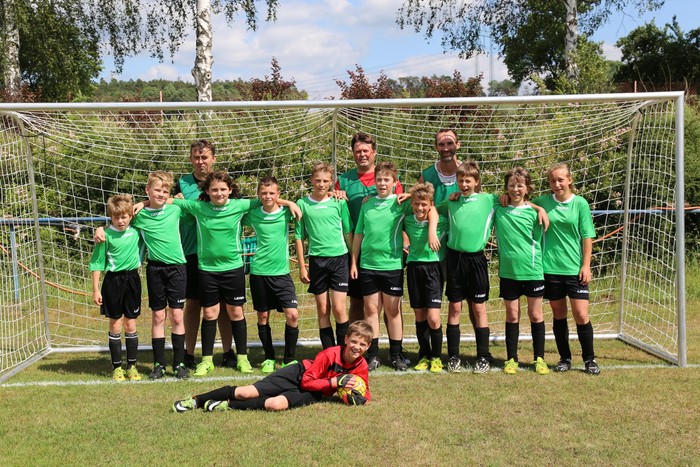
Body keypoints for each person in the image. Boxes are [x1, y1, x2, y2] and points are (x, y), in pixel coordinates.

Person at [143, 170, 301, 377]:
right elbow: (167, 200)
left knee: (235, 312)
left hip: (233, 268)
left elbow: (266, 199)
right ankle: (206, 360)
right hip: (207, 270)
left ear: (230, 190)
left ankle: (242, 358)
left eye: (223, 189)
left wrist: (290, 203)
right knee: (210, 313)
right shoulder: (198, 207)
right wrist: (142, 204)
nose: (219, 193)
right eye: (214, 190)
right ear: (207, 191)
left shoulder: (239, 205)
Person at [95, 171, 189, 379]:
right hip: (154, 269)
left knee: (176, 315)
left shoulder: (176, 209)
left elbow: (195, 210)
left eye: (165, 191)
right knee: (158, 316)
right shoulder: (139, 216)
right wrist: (100, 228)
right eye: (157, 190)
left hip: (177, 269)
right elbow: (119, 221)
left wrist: (161, 200)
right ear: (148, 190)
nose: (161, 194)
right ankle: (159, 364)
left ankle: (179, 364)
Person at [172, 320, 373, 412]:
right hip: (299, 374)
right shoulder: (329, 354)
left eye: (362, 344)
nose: (357, 347)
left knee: (275, 405)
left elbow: (365, 389)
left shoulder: (361, 365)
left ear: (368, 346)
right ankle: (197, 400)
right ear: (346, 339)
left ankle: (225, 405)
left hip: (315, 392)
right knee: (246, 392)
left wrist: (360, 398)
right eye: (354, 342)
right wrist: (334, 383)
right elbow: (307, 381)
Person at [335, 132, 409, 367]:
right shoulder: (344, 180)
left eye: (366, 150)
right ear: (353, 153)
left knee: (392, 308)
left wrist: (406, 239)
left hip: (390, 256)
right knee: (362, 305)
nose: (362, 154)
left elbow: (412, 206)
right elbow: (331, 200)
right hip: (358, 254)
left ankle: (396, 352)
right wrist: (334, 194)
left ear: (374, 153)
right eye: (358, 151)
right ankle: (363, 350)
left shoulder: (390, 181)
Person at [350, 162, 420, 371]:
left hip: (391, 265)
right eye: (379, 179)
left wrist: (409, 194)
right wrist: (354, 261)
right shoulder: (367, 204)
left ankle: (396, 354)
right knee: (371, 309)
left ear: (394, 182)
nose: (382, 183)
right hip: (368, 265)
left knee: (393, 310)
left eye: (386, 179)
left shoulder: (401, 204)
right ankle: (373, 355)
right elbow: (359, 234)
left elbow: (426, 202)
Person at [533, 163, 600, 375]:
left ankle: (590, 359)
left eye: (561, 179)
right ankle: (565, 358)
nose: (557, 184)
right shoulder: (543, 202)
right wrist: (538, 208)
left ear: (569, 180)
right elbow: (521, 202)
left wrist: (586, 265)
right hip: (550, 269)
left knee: (581, 314)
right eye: (553, 180)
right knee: (559, 314)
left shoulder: (580, 203)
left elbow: (587, 236)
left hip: (575, 270)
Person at [175, 139, 235, 370]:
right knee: (193, 304)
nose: (200, 161)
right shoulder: (181, 184)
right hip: (191, 251)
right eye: (196, 157)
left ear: (213, 159)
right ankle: (189, 353)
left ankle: (228, 352)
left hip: (218, 254)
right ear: (191, 159)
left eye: (205, 157)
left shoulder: (223, 183)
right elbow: (160, 202)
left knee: (224, 305)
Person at [436, 161, 496, 374]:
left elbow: (516, 199)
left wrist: (538, 209)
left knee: (478, 307)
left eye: (468, 180)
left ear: (477, 181)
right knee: (454, 307)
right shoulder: (451, 201)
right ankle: (453, 356)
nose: (463, 184)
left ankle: (483, 356)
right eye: (460, 180)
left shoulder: (489, 200)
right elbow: (430, 209)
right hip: (455, 259)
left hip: (476, 260)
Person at [494, 167, 549, 375]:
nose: (515, 189)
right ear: (506, 187)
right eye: (511, 185)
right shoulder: (499, 208)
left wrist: (538, 207)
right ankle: (511, 359)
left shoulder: (535, 213)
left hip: (533, 270)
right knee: (512, 315)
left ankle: (539, 358)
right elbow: (478, 198)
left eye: (520, 186)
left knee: (535, 314)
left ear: (527, 188)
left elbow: (541, 236)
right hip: (509, 272)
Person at [243, 176, 300, 375]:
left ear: (278, 194)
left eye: (272, 193)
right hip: (259, 272)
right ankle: (268, 357)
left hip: (282, 274)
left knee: (292, 315)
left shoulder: (287, 213)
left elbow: (302, 209)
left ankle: (289, 359)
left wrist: (289, 203)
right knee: (263, 316)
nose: (268, 196)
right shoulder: (253, 215)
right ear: (258, 195)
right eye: (264, 193)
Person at [295, 163, 352, 349]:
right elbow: (299, 237)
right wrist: (302, 266)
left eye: (325, 181)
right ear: (311, 181)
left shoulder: (339, 202)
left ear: (331, 182)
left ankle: (343, 353)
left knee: (339, 308)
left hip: (340, 259)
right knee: (323, 309)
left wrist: (353, 261)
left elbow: (348, 232)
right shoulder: (302, 204)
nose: (321, 184)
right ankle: (329, 353)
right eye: (318, 180)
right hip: (317, 261)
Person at [89, 194, 144, 381]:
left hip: (132, 280)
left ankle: (132, 367)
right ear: (110, 217)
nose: (120, 221)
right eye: (116, 217)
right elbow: (97, 263)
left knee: (131, 324)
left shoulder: (137, 231)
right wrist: (96, 289)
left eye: (124, 217)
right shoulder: (105, 236)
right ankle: (117, 368)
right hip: (113, 281)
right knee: (115, 324)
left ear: (130, 216)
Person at [403, 183, 447, 373]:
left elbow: (436, 212)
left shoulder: (441, 221)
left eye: (424, 204)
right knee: (420, 316)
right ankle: (424, 355)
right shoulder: (407, 220)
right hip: (414, 268)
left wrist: (432, 230)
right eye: (416, 204)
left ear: (430, 204)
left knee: (433, 318)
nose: (420, 208)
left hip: (433, 269)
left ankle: (436, 357)